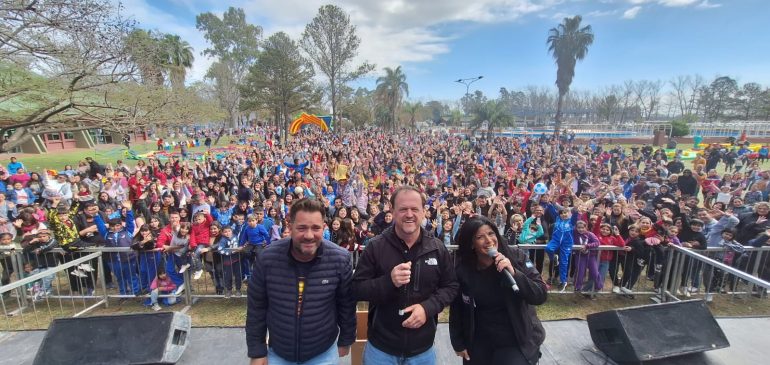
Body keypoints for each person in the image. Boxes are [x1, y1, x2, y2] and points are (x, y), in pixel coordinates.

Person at [353, 186, 459, 364]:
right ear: (393, 212)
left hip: (423, 351)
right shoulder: (375, 246)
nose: (409, 214)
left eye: (414, 209)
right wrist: (388, 281)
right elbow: (357, 289)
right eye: (403, 209)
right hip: (381, 349)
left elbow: (451, 286)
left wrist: (428, 308)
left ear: (423, 212)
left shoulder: (437, 247)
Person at [246, 198, 356, 365]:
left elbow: (346, 304)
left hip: (323, 353)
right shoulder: (267, 258)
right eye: (302, 228)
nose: (309, 235)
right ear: (290, 226)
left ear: (324, 227)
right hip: (279, 353)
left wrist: (346, 339)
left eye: (316, 228)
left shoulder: (340, 259)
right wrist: (257, 350)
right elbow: (256, 308)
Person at [449, 216, 547, 365]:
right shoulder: (464, 271)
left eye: (491, 233)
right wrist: (458, 342)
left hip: (515, 338)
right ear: (471, 244)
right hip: (480, 339)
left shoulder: (516, 258)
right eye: (480, 237)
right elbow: (457, 308)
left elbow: (540, 294)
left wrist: (515, 273)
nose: (488, 240)